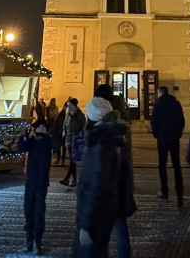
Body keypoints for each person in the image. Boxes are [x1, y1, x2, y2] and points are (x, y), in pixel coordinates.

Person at [73, 97, 127, 258]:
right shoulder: (106, 139)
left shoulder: (100, 142)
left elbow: (97, 186)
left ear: (91, 117)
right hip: (103, 212)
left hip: (96, 216)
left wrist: (86, 224)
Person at [101, 108, 136, 258]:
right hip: (121, 188)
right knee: (121, 230)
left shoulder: (107, 140)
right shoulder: (124, 135)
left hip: (109, 192)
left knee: (103, 232)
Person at [18, 120, 54, 255]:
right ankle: (29, 240)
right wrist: (23, 137)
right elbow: (22, 147)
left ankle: (37, 241)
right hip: (31, 180)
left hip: (41, 181)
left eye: (44, 127)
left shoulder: (48, 140)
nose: (42, 129)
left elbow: (56, 144)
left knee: (39, 211)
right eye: (40, 127)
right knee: (28, 209)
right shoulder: (32, 140)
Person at [150, 86, 185, 206]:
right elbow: (182, 120)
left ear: (160, 93)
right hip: (174, 137)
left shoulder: (158, 105)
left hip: (163, 138)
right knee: (177, 165)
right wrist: (178, 133)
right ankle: (180, 193)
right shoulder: (176, 103)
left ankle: (164, 191)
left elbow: (154, 122)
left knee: (162, 165)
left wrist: (157, 135)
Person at [60, 98, 86, 187]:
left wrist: (79, 134)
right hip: (68, 139)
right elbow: (64, 124)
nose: (68, 107)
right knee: (72, 160)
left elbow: (82, 125)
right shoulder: (68, 114)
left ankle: (69, 178)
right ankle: (70, 179)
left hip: (76, 140)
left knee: (72, 160)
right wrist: (64, 133)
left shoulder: (79, 115)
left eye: (70, 105)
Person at [52, 100, 68, 166]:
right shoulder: (61, 114)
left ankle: (62, 160)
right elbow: (59, 124)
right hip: (59, 133)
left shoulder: (67, 114)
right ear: (64, 107)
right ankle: (58, 159)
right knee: (59, 147)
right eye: (66, 107)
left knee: (64, 147)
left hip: (64, 133)